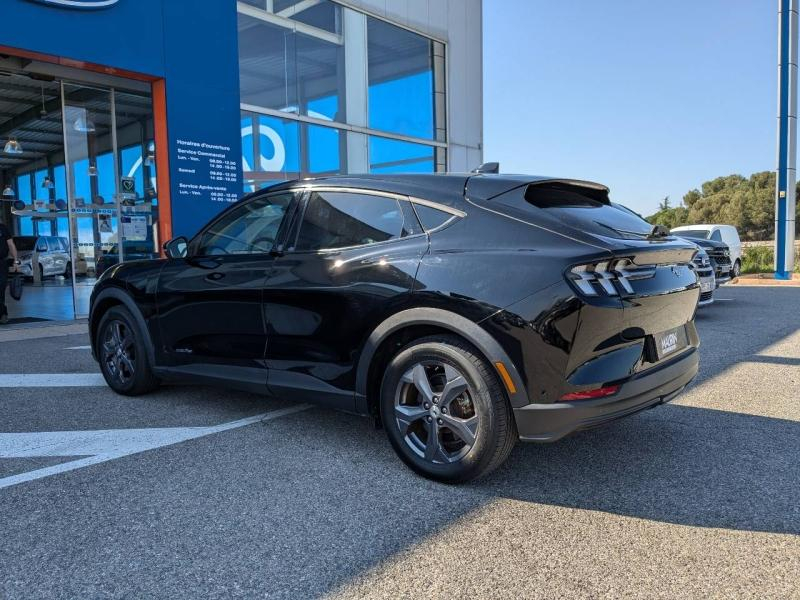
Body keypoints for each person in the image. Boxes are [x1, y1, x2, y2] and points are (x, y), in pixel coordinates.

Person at [0, 217, 20, 325]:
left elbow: (11, 245)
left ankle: (3, 314)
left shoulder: (3, 228)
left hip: (1, 263)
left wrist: (16, 262)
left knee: (0, 288)